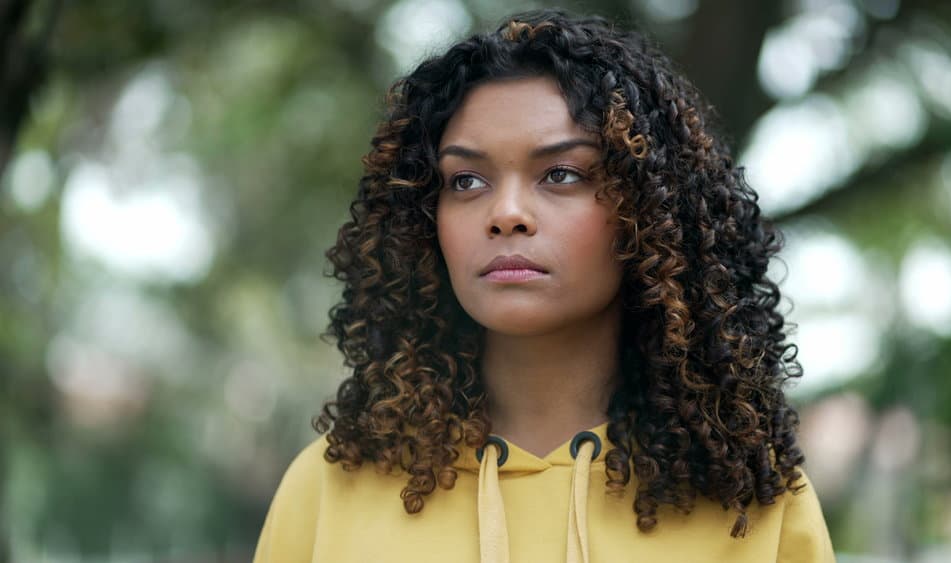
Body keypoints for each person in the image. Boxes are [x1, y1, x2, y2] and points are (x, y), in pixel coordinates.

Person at [253, 7, 836, 563]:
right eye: (466, 181)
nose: (506, 213)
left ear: (650, 214)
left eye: (561, 174)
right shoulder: (328, 491)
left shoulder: (756, 506)